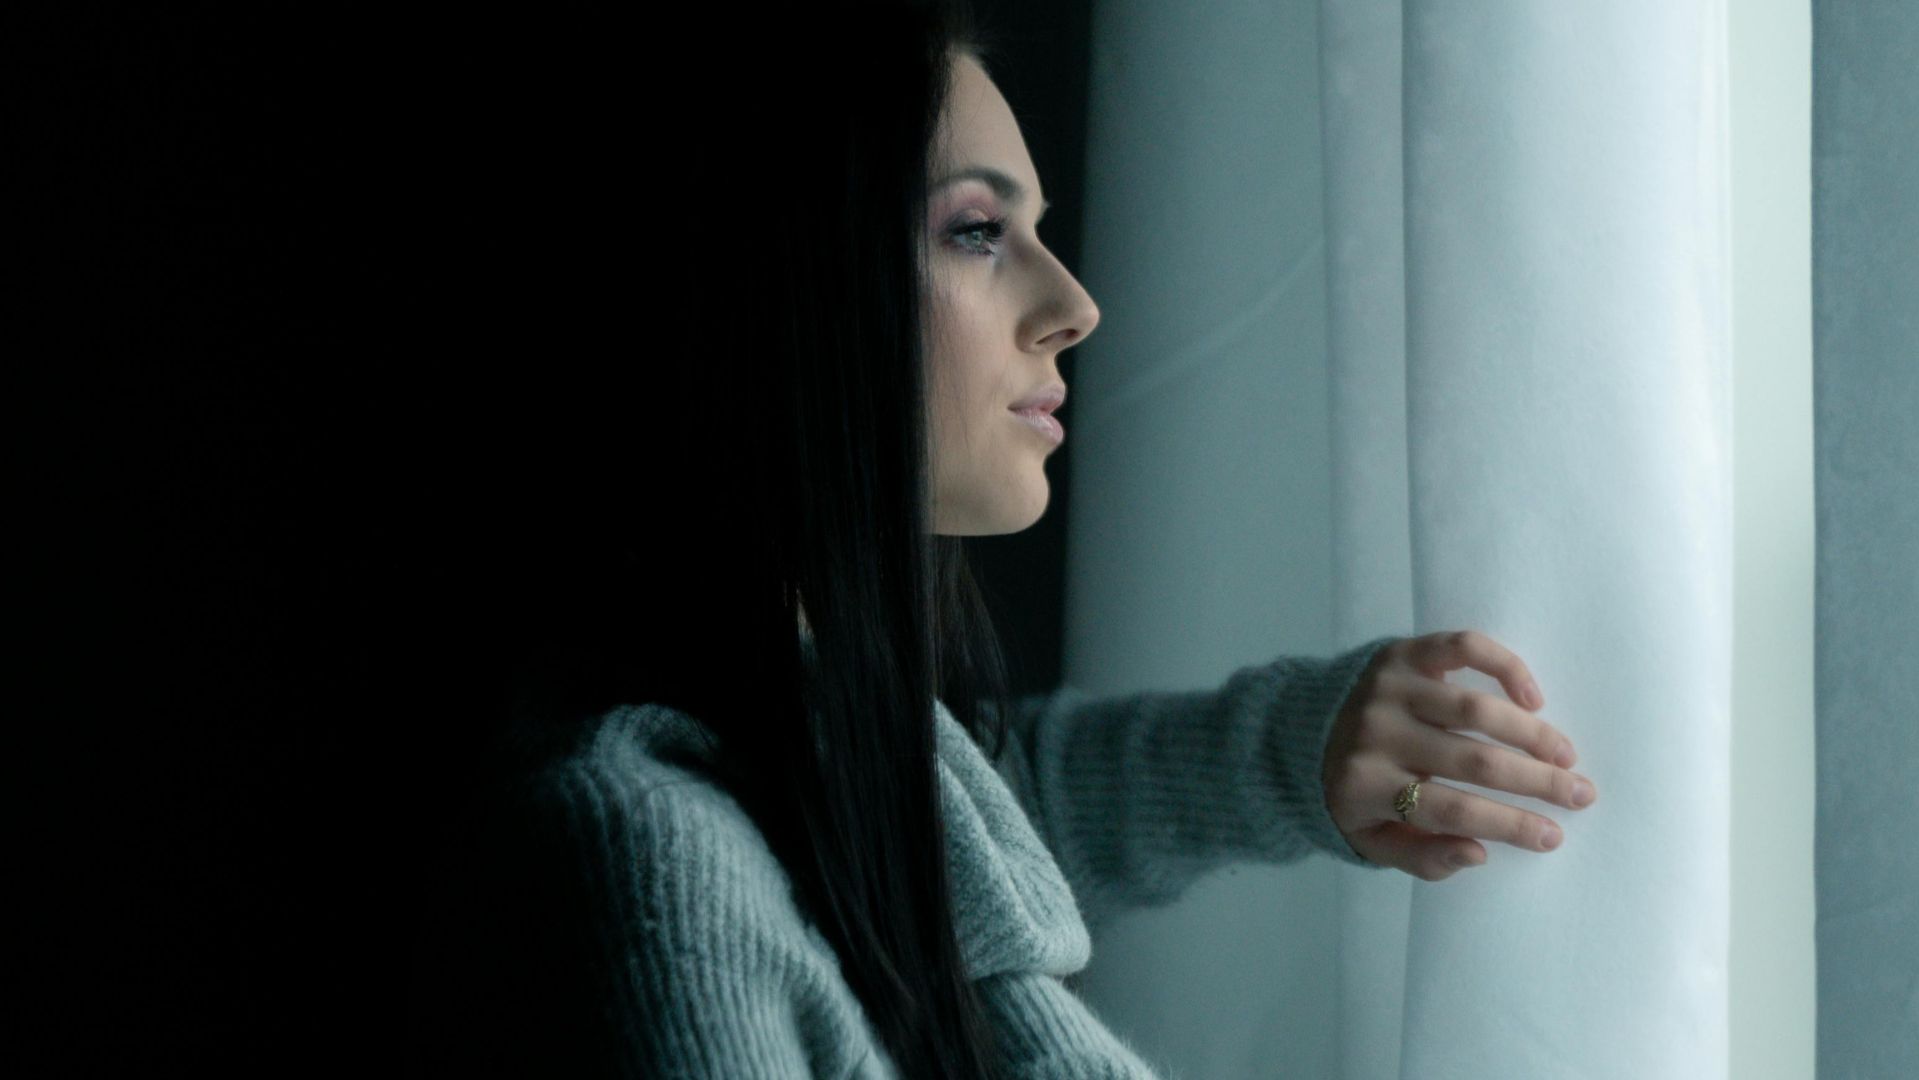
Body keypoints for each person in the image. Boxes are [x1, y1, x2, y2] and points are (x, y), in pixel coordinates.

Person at [399, 1, 1602, 1076]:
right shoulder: (657, 868)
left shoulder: (823, 758)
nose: (1074, 307)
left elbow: (983, 822)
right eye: (977, 232)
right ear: (775, 280)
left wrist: (1290, 752)